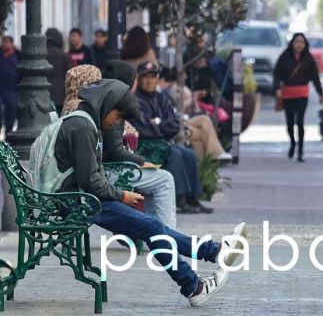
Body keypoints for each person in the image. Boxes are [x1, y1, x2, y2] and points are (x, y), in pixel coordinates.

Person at [51, 78, 247, 306]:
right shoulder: (83, 128)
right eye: (119, 115)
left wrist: (117, 192)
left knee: (152, 226)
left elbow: (91, 176)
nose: (118, 122)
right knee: (151, 227)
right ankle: (194, 286)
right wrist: (122, 195)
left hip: (81, 198)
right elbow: (90, 179)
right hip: (76, 202)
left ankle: (214, 252)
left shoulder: (84, 123)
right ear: (107, 105)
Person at [100, 60, 179, 228]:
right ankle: (166, 236)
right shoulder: (114, 105)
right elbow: (116, 151)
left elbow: (174, 124)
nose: (142, 81)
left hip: (103, 168)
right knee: (165, 179)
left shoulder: (108, 99)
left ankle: (157, 232)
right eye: (136, 78)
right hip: (106, 171)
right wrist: (141, 162)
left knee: (164, 170)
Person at [130, 62, 213, 214]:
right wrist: (161, 125)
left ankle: (192, 198)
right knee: (175, 154)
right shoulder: (135, 100)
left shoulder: (161, 98)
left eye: (152, 77)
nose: (149, 81)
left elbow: (174, 125)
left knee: (189, 153)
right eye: (145, 77)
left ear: (157, 79)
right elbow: (146, 130)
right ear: (138, 79)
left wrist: (157, 123)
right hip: (145, 146)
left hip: (161, 142)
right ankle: (180, 199)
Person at [273, 33, 323, 162]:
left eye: (302, 42)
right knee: (290, 123)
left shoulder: (308, 58)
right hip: (288, 93)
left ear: (305, 44)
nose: (299, 44)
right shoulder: (284, 57)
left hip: (302, 93)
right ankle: (292, 143)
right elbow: (277, 74)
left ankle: (300, 151)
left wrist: (320, 93)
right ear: (292, 43)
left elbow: (315, 77)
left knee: (300, 122)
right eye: (297, 42)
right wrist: (277, 88)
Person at [46, 28, 72, 113]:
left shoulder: (41, 55)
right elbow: (70, 73)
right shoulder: (64, 56)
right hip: (61, 94)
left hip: (44, 93)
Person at [0, 36, 19, 135]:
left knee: (11, 116)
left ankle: (8, 136)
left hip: (13, 91)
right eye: (3, 42)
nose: (4, 44)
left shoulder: (17, 55)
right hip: (1, 91)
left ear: (11, 43)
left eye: (7, 42)